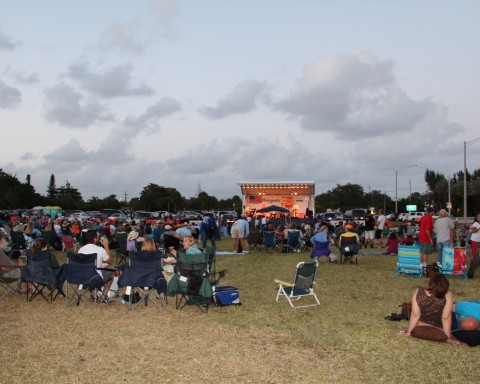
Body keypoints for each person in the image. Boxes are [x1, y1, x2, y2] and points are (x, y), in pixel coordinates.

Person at [399, 272, 461, 346]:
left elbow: (415, 314)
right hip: (440, 325)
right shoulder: (447, 295)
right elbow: (446, 318)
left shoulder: (418, 292)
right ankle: (440, 330)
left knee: (418, 323)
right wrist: (448, 337)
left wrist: (409, 332)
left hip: (421, 323)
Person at [77, 230, 114, 303]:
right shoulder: (99, 249)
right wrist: (106, 246)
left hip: (81, 277)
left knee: (92, 271)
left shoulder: (81, 250)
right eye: (97, 237)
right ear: (94, 239)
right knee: (111, 272)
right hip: (95, 278)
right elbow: (110, 261)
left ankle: (94, 295)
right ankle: (104, 296)